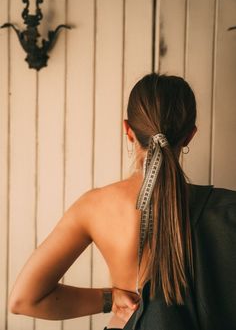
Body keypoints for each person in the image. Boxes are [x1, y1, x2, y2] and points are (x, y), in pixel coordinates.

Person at [9, 73, 236, 330]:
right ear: (189, 136)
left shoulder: (94, 207)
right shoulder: (228, 208)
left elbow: (24, 300)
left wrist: (110, 297)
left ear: (128, 130)